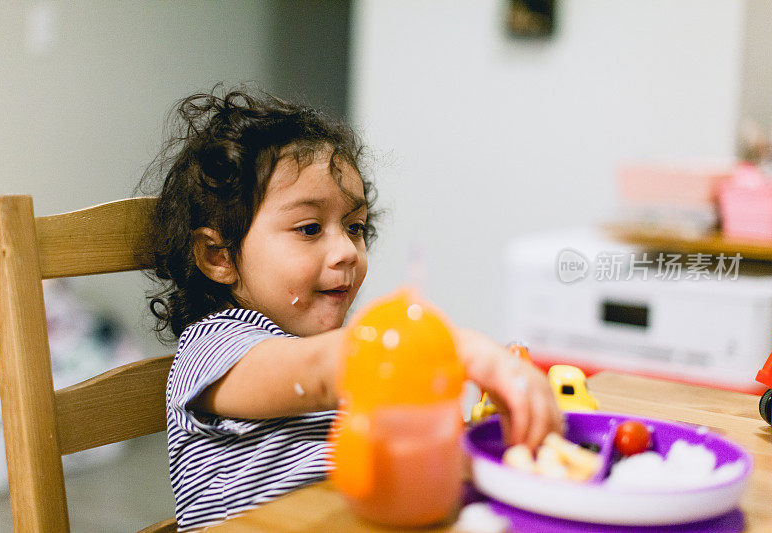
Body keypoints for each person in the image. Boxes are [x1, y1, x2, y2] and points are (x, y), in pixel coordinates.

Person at [143, 85, 562, 531]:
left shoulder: (343, 354)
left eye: (354, 227)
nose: (346, 250)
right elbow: (323, 371)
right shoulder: (215, 349)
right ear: (219, 256)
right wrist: (462, 351)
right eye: (309, 228)